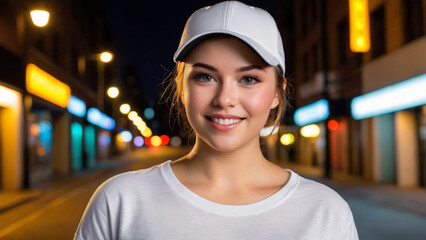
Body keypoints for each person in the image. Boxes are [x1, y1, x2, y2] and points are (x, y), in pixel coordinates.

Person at [74, 1, 359, 239]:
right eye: (205, 76)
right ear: (181, 89)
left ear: (276, 92)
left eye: (249, 79)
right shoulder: (120, 201)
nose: (224, 98)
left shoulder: (325, 211)